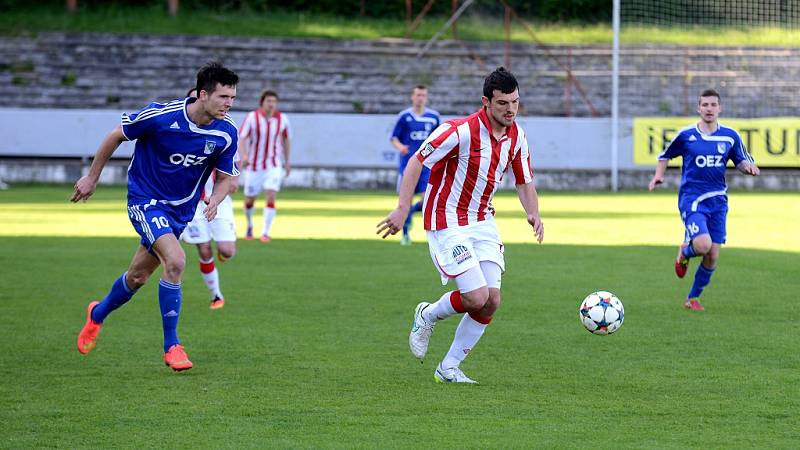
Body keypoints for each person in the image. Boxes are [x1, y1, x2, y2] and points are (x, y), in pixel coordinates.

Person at [377, 67, 544, 384]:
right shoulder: (458, 131)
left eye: (515, 102)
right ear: (486, 102)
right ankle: (427, 314)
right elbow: (416, 161)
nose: (510, 110)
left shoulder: (517, 137)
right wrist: (402, 208)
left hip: (482, 220)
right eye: (503, 103)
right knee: (476, 296)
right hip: (447, 219)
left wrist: (533, 212)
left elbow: (525, 180)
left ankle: (448, 368)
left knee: (492, 300)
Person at [72, 62, 240, 371]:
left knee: (138, 277)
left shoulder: (226, 132)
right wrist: (91, 178)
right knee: (175, 261)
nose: (229, 104)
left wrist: (215, 200)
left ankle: (97, 314)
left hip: (180, 211)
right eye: (223, 97)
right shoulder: (161, 116)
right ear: (203, 95)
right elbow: (115, 136)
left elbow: (229, 178)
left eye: (232, 97)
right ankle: (172, 345)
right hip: (145, 200)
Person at [648, 88, 759, 311]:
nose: (709, 109)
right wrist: (659, 176)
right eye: (705, 105)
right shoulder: (687, 135)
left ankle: (692, 298)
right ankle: (685, 252)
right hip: (692, 199)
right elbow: (665, 155)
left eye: (713, 105)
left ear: (720, 108)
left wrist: (747, 168)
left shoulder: (730, 136)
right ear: (699, 108)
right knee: (703, 245)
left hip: (718, 201)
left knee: (713, 256)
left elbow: (741, 160)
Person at [179, 88, 238, 310]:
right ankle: (216, 295)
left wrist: (234, 179)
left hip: (218, 200)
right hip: (192, 204)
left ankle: (223, 253)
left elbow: (234, 161)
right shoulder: (180, 131)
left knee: (226, 251)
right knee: (203, 250)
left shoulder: (224, 130)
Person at [238, 90, 292, 242]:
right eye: (268, 101)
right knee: (249, 200)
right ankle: (249, 226)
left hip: (274, 165)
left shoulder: (283, 119)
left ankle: (266, 232)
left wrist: (287, 161)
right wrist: (244, 155)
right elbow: (242, 138)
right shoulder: (252, 117)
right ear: (262, 102)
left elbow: (286, 140)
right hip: (254, 166)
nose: (271, 104)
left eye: (274, 101)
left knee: (271, 194)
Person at [389, 85, 440, 245]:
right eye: (418, 95)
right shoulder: (404, 116)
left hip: (427, 167)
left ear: (426, 97)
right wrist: (401, 148)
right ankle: (405, 234)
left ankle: (406, 214)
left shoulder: (433, 117)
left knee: (427, 201)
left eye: (423, 95)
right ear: (412, 96)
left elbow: (440, 139)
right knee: (407, 199)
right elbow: (394, 137)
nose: (420, 98)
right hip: (408, 165)